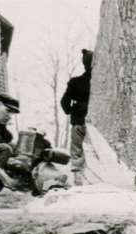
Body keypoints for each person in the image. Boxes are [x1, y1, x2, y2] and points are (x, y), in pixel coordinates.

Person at [60, 48, 92, 185]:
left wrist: (71, 110)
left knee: (77, 152)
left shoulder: (76, 82)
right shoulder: (101, 82)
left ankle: (79, 182)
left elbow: (64, 102)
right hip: (95, 126)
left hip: (79, 121)